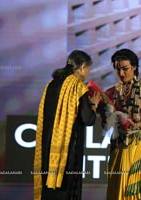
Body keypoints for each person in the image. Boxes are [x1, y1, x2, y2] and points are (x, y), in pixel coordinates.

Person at [33, 50, 101, 200]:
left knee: (48, 190)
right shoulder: (77, 86)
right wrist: (94, 105)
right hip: (68, 151)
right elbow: (88, 119)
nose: (88, 73)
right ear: (82, 67)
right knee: (66, 190)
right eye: (88, 69)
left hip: (47, 150)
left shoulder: (51, 84)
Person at [101, 49, 141, 200]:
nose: (121, 73)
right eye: (117, 69)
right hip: (118, 148)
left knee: (136, 193)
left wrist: (134, 126)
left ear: (134, 67)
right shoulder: (110, 93)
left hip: (138, 148)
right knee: (116, 191)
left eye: (125, 69)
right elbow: (104, 124)